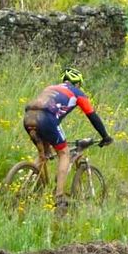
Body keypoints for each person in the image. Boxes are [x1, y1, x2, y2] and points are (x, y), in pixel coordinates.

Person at [22, 66, 112, 200]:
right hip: (47, 119)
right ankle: (59, 196)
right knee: (64, 152)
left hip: (29, 117)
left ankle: (24, 188)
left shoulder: (50, 88)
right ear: (78, 84)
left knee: (43, 155)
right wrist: (105, 136)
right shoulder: (78, 93)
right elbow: (92, 116)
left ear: (63, 80)